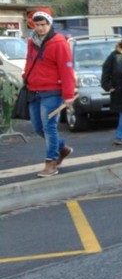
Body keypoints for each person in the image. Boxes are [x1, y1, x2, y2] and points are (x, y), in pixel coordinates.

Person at [24, 9, 75, 178]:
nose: (39, 28)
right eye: (36, 25)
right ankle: (62, 148)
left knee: (49, 126)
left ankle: (51, 162)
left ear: (49, 24)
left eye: (43, 24)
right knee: (38, 128)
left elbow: (67, 70)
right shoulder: (32, 42)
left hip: (52, 91)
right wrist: (26, 77)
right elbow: (29, 62)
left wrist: (68, 95)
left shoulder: (59, 43)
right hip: (34, 90)